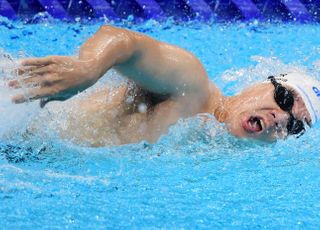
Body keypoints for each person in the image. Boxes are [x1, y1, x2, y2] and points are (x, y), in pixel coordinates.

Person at [7, 25, 320, 145]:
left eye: (295, 127)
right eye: (283, 97)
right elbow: (122, 41)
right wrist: (86, 69)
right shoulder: (192, 87)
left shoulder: (212, 148)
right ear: (258, 85)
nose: (281, 117)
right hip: (18, 122)